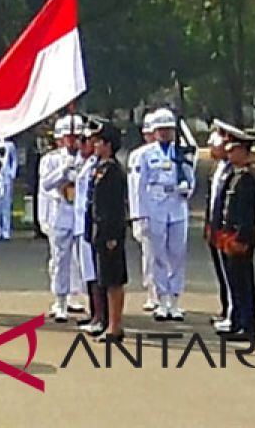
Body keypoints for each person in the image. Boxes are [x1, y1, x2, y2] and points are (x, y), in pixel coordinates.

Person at [134, 107, 195, 321]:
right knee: (158, 255)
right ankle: (161, 299)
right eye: (160, 130)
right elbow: (139, 186)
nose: (164, 134)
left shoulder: (181, 152)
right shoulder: (146, 154)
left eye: (168, 129)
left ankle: (175, 299)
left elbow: (189, 175)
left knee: (177, 254)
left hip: (177, 204)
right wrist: (140, 214)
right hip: (156, 205)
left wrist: (188, 187)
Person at [217, 127, 255, 343]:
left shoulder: (246, 179)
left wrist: (242, 238)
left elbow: (246, 214)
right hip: (229, 237)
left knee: (243, 283)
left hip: (239, 239)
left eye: (233, 149)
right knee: (233, 282)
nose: (229, 153)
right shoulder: (233, 176)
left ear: (244, 152)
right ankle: (236, 321)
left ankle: (248, 325)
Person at [39, 115, 81, 322]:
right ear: (59, 139)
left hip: (81, 213)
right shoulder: (51, 159)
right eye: (68, 137)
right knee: (60, 259)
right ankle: (60, 300)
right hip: (61, 212)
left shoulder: (87, 157)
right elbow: (46, 184)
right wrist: (63, 170)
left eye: (76, 136)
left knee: (84, 260)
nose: (72, 141)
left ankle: (79, 296)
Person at [89, 123, 128, 343]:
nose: (95, 145)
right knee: (105, 278)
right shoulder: (101, 168)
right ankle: (109, 322)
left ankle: (115, 326)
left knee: (113, 280)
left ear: (109, 145)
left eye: (99, 142)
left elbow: (114, 207)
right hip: (100, 231)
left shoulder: (112, 171)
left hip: (110, 233)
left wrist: (112, 235)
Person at [71, 119, 103, 335]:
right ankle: (94, 313)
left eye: (87, 140)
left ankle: (101, 316)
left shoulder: (99, 165)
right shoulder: (85, 163)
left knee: (96, 273)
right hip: (81, 224)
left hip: (91, 224)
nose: (82, 144)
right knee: (88, 273)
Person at [204, 122, 234, 331]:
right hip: (215, 228)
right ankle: (226, 309)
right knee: (221, 272)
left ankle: (234, 313)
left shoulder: (233, 170)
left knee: (231, 274)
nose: (210, 147)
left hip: (227, 231)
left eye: (214, 143)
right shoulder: (217, 167)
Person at [128, 113, 158, 312]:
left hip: (168, 211)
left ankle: (169, 296)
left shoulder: (176, 152)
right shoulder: (139, 155)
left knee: (172, 256)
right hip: (147, 211)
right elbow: (135, 188)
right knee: (151, 255)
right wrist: (137, 215)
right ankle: (153, 292)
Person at [0, 138, 18, 240]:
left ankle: (6, 230)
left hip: (6, 177)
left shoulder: (9, 145)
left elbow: (14, 159)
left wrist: (12, 173)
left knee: (6, 204)